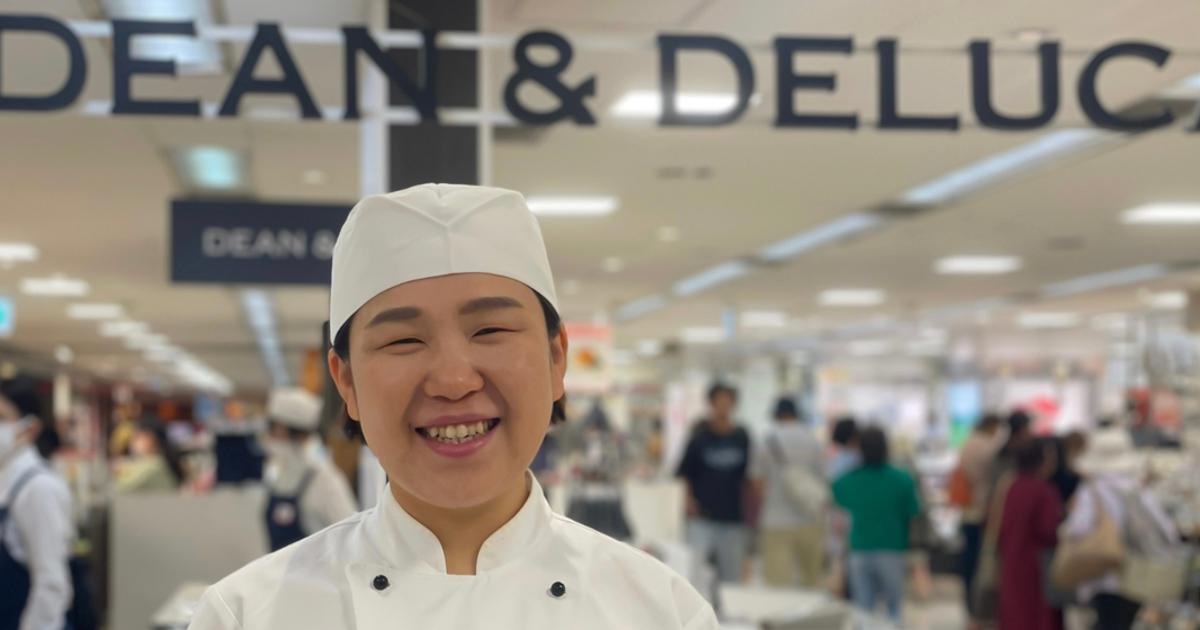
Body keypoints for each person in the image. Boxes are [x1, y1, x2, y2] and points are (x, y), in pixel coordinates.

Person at [190, 184, 717, 629]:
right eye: (403, 340)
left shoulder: (663, 614)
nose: (453, 381)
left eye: (490, 330)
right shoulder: (246, 616)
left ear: (556, 358)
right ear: (346, 381)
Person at [1064, 427, 1176, 630]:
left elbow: (1077, 529)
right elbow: (1167, 530)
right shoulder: (1137, 489)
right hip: (1136, 576)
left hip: (1102, 575)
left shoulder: (1091, 491)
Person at [0, 377, 74, 630]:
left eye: (1, 418)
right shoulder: (6, 480)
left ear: (29, 428)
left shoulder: (39, 488)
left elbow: (51, 584)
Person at [832, 427, 920, 623]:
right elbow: (912, 512)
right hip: (893, 547)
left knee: (863, 609)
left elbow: (833, 498)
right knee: (894, 606)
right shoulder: (902, 478)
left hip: (860, 547)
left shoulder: (848, 480)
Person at [261, 388, 359, 552]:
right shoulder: (279, 474)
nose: (270, 437)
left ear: (298, 434)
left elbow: (352, 537)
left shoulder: (325, 480)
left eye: (274, 429)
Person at [676, 383, 753, 585]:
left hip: (733, 518)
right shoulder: (699, 436)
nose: (723, 405)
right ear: (711, 403)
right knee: (696, 575)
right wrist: (688, 501)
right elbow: (684, 473)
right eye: (719, 400)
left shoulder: (742, 436)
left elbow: (749, 478)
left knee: (732, 578)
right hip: (702, 518)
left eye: (727, 400)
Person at [755, 398, 826, 588]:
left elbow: (758, 483)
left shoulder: (766, 441)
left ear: (776, 415)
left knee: (778, 585)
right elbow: (823, 481)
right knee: (812, 582)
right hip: (811, 520)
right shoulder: (814, 441)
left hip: (776, 521)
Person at [995, 439, 1062, 630]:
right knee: (1035, 617)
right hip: (1036, 567)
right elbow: (1050, 530)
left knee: (1013, 614)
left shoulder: (1008, 486)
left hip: (1009, 561)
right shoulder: (1043, 491)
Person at [957, 414, 1005, 619]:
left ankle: (971, 605)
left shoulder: (967, 443)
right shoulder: (988, 447)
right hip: (983, 509)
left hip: (968, 510)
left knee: (969, 561)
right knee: (984, 562)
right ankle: (981, 607)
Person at [113, 420, 184, 493]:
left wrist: (116, 473)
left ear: (149, 438)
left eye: (136, 437)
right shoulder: (154, 462)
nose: (132, 442)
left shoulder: (154, 465)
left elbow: (118, 489)